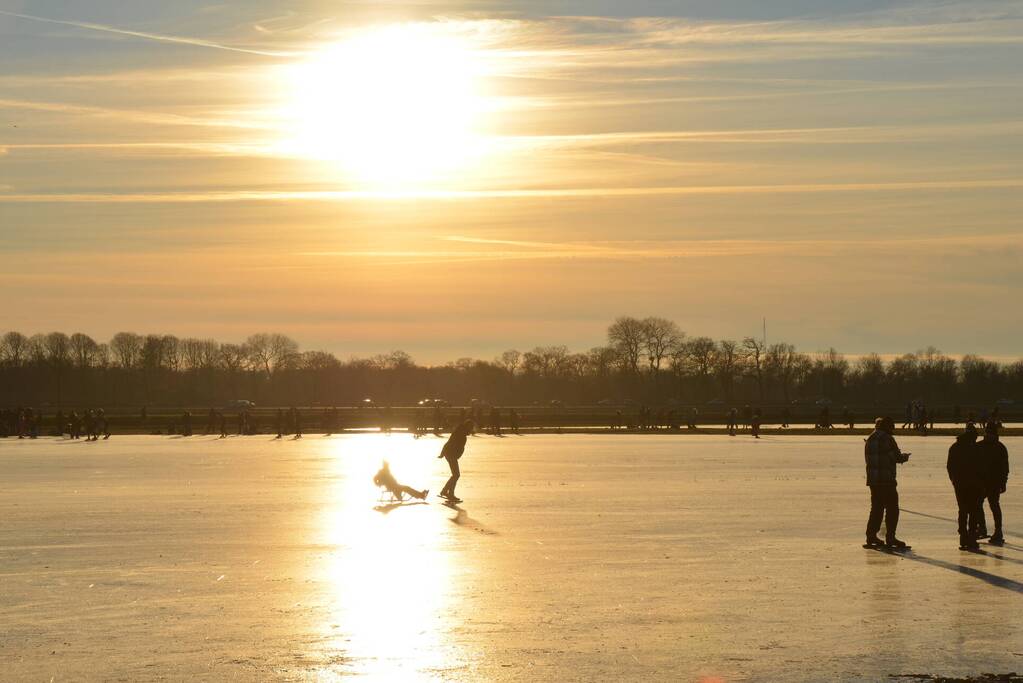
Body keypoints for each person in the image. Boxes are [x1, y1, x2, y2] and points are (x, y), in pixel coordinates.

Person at [864, 417, 911, 549]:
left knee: (876, 509)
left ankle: (871, 536)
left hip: (873, 480)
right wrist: (905, 457)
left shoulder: (870, 438)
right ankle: (890, 537)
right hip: (887, 480)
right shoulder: (888, 439)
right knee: (892, 509)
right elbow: (896, 457)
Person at [947, 423, 983, 550]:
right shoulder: (975, 448)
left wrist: (954, 480)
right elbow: (980, 467)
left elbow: (950, 466)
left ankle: (963, 537)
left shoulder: (955, 447)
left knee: (962, 510)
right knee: (973, 511)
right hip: (973, 484)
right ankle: (972, 537)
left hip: (960, 484)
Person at [977, 422, 1009, 545]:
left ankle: (997, 530)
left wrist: (1003, 482)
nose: (989, 435)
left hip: (993, 482)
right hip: (983, 482)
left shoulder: (999, 447)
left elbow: (1005, 467)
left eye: (991, 433)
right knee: (979, 503)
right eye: (988, 432)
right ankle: (983, 527)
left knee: (993, 505)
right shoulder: (983, 446)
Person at [438, 419, 473, 503]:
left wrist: (443, 453)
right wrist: (443, 453)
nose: (471, 429)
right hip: (451, 454)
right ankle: (449, 493)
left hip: (450, 454)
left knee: (455, 475)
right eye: (471, 427)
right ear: (468, 427)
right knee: (456, 475)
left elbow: (449, 442)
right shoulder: (460, 433)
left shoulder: (460, 431)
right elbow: (450, 443)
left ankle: (445, 491)